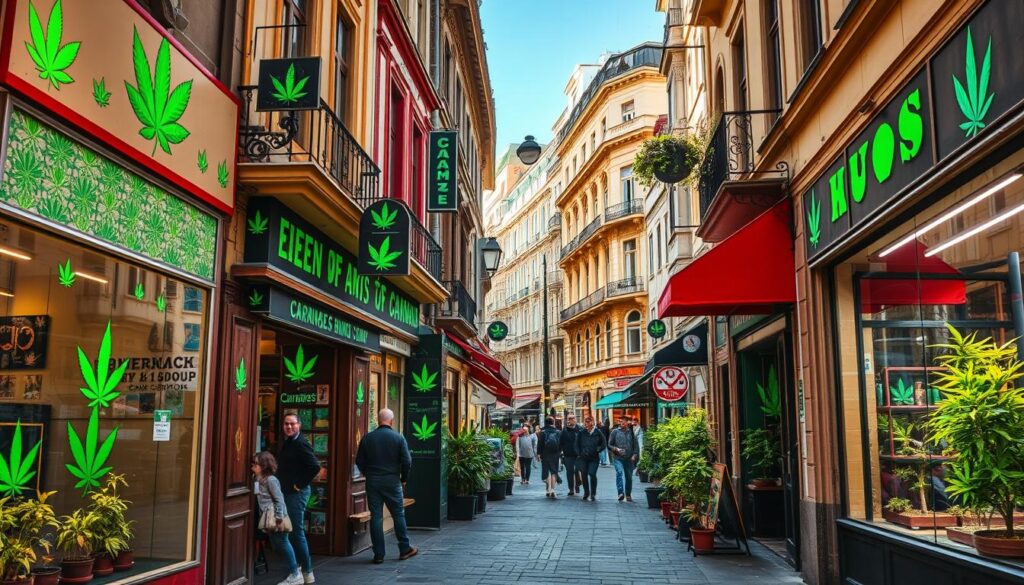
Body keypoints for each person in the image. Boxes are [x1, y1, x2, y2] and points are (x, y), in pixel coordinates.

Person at [355, 408, 418, 564]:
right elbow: (407, 461)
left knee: (376, 517)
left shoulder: (368, 438)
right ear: (392, 421)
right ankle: (404, 549)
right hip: (392, 481)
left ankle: (379, 554)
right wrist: (404, 478)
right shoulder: (398, 438)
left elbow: (359, 461)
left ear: (378, 420)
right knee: (398, 515)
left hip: (373, 481)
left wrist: (368, 473)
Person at [276, 412, 321, 584]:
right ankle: (302, 572)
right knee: (291, 533)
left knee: (296, 533)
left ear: (299, 425)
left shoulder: (301, 443)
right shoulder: (288, 442)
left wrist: (298, 485)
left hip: (296, 494)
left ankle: (307, 572)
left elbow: (314, 466)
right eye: (286, 424)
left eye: (292, 424)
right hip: (287, 492)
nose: (289, 427)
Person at [253, 451, 302, 585]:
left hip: (275, 517)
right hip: (268, 517)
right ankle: (296, 570)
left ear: (264, 465)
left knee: (283, 543)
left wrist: (279, 517)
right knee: (278, 544)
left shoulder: (271, 480)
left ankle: (295, 574)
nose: (253, 466)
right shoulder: (258, 479)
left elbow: (279, 499)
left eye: (256, 464)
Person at [608, 417, 639, 501]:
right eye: (620, 421)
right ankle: (620, 493)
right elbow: (609, 445)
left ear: (627, 423)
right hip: (618, 457)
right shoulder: (615, 432)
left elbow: (636, 445)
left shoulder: (631, 433)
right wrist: (616, 449)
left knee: (629, 477)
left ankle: (628, 494)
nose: (621, 423)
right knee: (619, 473)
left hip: (629, 458)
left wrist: (634, 455)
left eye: (623, 421)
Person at [577, 416, 606, 501]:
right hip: (583, 457)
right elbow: (577, 444)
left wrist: (598, 449)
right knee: (584, 474)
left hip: (594, 458)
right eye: (585, 421)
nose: (586, 423)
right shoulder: (581, 432)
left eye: (588, 421)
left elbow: (603, 443)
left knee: (592, 473)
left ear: (592, 422)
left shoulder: (598, 432)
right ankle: (586, 492)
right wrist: (579, 453)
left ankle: (593, 493)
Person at [537, 416, 562, 498]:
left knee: (547, 471)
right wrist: (560, 452)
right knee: (554, 471)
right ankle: (553, 490)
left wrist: (539, 453)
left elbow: (540, 443)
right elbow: (560, 443)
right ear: (553, 422)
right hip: (555, 453)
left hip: (545, 453)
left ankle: (548, 489)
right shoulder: (558, 431)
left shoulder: (543, 432)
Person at [559, 414, 583, 496]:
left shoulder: (580, 429)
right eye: (568, 419)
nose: (570, 420)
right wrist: (561, 452)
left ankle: (577, 484)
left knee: (577, 470)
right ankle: (571, 489)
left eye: (571, 418)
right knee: (569, 472)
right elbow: (561, 442)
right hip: (568, 454)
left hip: (578, 454)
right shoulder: (565, 430)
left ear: (575, 419)